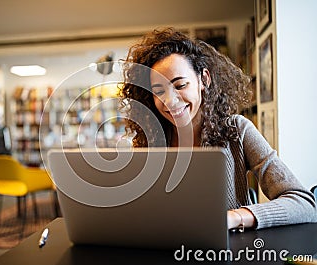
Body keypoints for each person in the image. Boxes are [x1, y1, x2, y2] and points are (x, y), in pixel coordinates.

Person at [119, 27, 317, 231]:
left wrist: (234, 218)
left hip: (228, 253)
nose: (169, 101)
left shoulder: (237, 130)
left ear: (204, 79)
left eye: (180, 86)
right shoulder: (151, 140)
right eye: (159, 91)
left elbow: (304, 203)